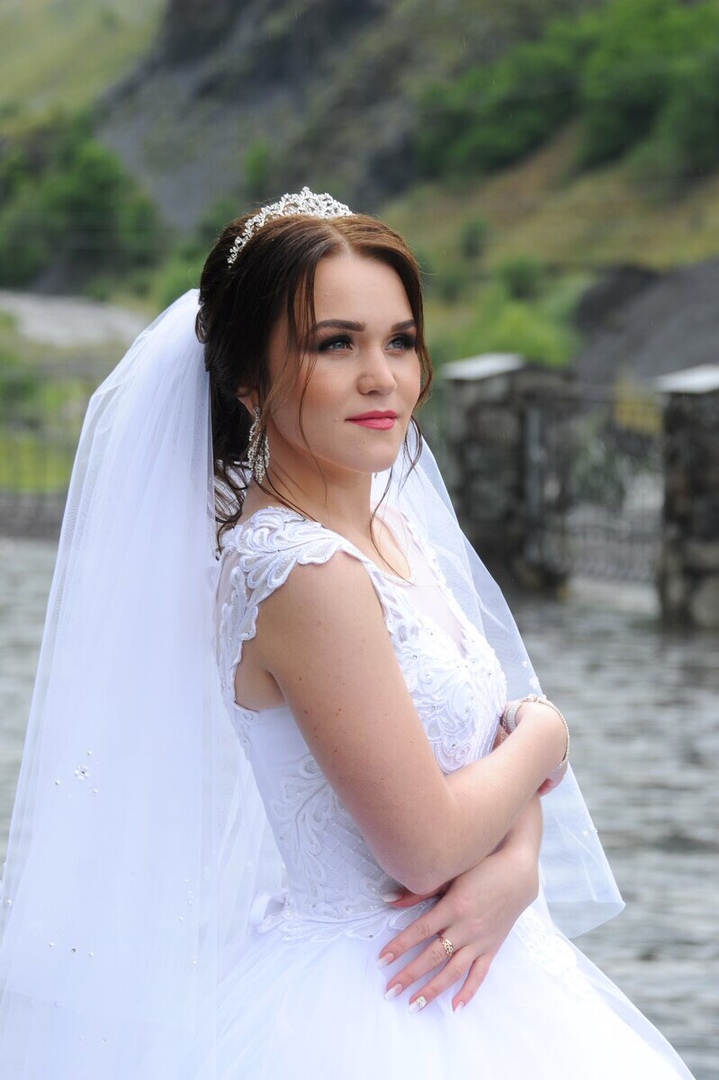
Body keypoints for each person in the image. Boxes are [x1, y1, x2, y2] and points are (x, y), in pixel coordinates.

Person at [0, 189, 694, 1078]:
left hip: (470, 961)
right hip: (377, 1003)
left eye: (399, 340)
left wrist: (519, 861)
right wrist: (549, 734)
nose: (382, 377)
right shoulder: (300, 572)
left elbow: (478, 746)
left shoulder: (391, 531)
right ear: (249, 381)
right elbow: (427, 845)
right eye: (336, 344)